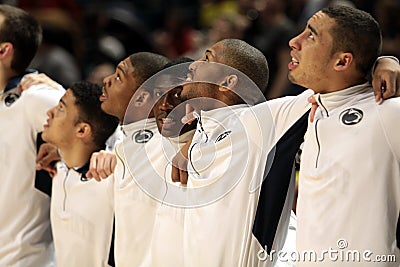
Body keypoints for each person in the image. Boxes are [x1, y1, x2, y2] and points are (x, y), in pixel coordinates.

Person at [171, 37, 400, 267]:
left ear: (227, 82)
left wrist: (381, 62)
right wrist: (189, 143)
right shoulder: (198, 134)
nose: (193, 64)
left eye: (207, 58)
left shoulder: (261, 123)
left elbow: (335, 80)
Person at [287, 5, 400, 266]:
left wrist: (390, 61)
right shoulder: (303, 107)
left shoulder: (386, 112)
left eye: (311, 35)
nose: (295, 41)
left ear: (342, 61)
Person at [0, 5, 65, 266]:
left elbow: (99, 125)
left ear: (4, 51)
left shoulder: (34, 97)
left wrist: (62, 94)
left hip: (20, 259)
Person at [41, 81, 119, 266]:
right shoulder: (57, 168)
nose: (49, 112)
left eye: (60, 108)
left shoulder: (111, 179)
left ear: (82, 130)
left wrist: (117, 156)